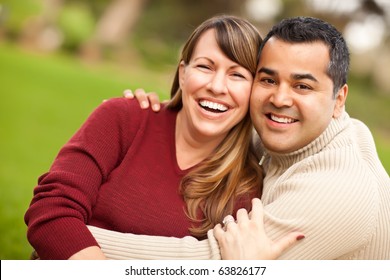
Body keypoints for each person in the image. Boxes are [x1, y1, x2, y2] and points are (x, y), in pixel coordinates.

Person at [24, 15, 303, 260]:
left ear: (254, 90)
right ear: (183, 74)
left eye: (237, 75)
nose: (217, 86)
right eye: (205, 67)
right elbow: (52, 209)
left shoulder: (245, 188)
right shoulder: (124, 118)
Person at [113, 16, 390, 259]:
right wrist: (156, 115)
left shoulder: (338, 192)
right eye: (268, 80)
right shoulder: (290, 132)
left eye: (302, 86)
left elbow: (209, 262)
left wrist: (76, 237)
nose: (280, 99)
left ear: (338, 99)